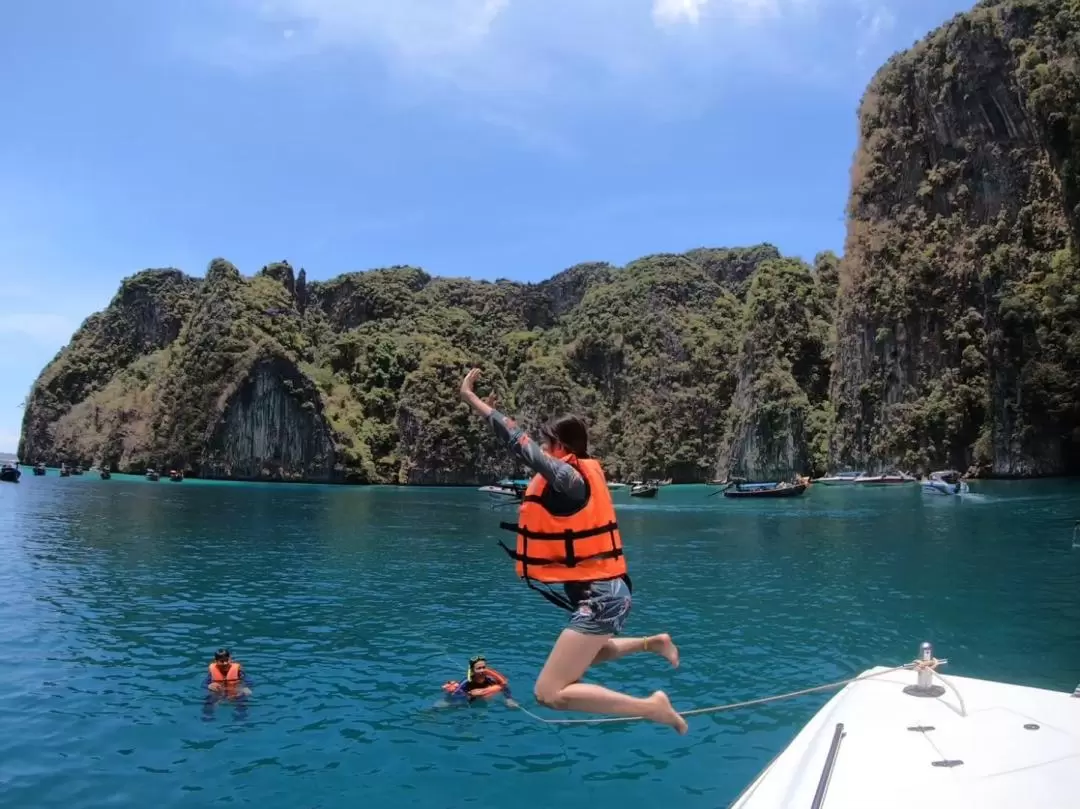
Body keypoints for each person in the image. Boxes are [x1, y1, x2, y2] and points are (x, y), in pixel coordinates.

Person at [459, 368, 687, 733]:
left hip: (601, 596)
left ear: (562, 448)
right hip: (610, 593)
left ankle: (651, 707)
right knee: (589, 655)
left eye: (549, 445)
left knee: (548, 692)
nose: (545, 451)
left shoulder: (571, 478)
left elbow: (520, 444)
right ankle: (653, 643)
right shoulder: (575, 477)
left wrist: (473, 400)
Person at [443, 655, 518, 707]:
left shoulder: (490, 679)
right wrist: (469, 695)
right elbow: (455, 696)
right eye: (478, 668)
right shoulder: (466, 682)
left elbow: (504, 687)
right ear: (473, 670)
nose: (482, 670)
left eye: (483, 667)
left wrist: (509, 699)